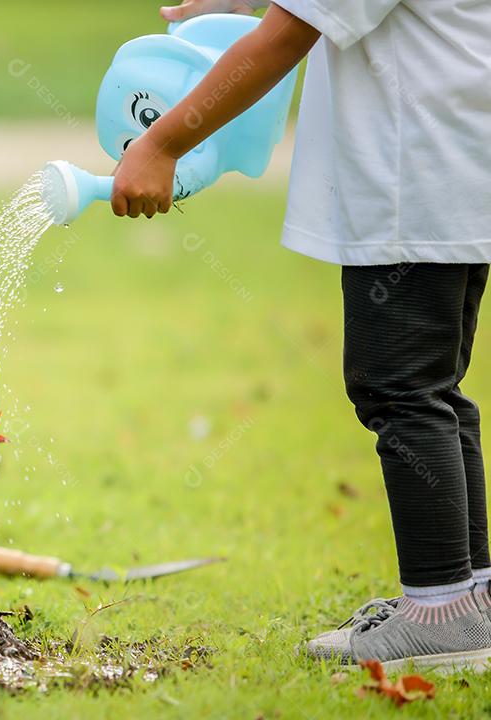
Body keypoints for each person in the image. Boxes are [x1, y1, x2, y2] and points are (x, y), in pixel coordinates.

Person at [136, 0, 491, 668]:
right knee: (432, 390)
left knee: (403, 390)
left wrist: (161, 143)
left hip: (409, 184)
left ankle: (442, 613)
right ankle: (469, 598)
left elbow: (283, 38)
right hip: (447, 174)